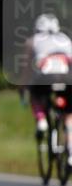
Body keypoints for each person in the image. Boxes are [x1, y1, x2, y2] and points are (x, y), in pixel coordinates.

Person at [23, 13, 72, 146]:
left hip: (45, 77)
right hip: (66, 78)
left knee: (35, 95)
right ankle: (70, 155)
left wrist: (24, 86)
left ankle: (41, 120)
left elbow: (27, 69)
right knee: (68, 115)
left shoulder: (33, 40)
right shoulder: (66, 39)